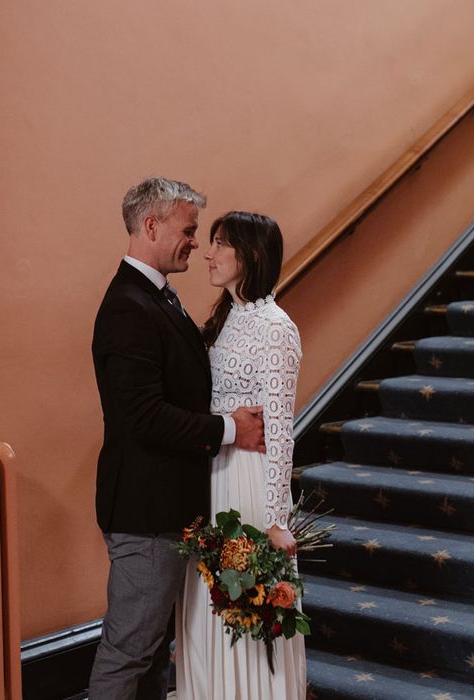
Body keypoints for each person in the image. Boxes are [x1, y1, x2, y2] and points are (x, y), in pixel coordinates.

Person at [89, 178, 267, 700]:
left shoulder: (157, 297)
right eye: (188, 230)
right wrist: (233, 428)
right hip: (146, 512)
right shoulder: (128, 305)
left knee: (150, 653)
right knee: (129, 651)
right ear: (151, 225)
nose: (196, 241)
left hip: (167, 506)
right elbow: (145, 416)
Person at [175, 211, 306, 699]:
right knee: (209, 604)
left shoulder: (275, 327)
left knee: (245, 601)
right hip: (216, 473)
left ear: (250, 255)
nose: (208, 253)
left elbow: (281, 430)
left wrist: (275, 517)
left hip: (249, 482)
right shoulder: (228, 318)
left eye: (219, 243)